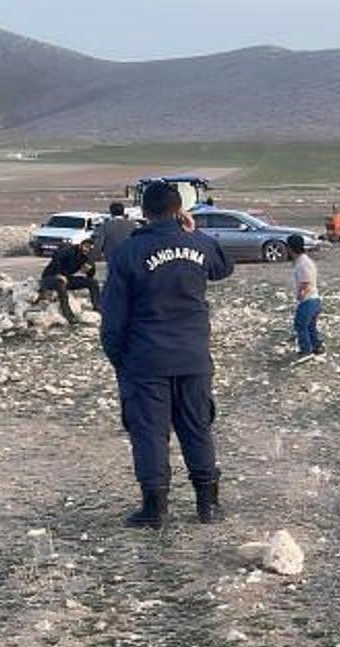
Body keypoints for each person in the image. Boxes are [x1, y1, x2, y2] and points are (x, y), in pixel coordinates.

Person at [100, 181, 234, 529]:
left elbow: (113, 317)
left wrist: (118, 358)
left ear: (143, 212)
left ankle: (155, 508)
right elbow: (222, 267)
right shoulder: (198, 244)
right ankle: (209, 505)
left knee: (149, 432)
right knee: (197, 427)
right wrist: (192, 233)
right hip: (193, 356)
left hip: (146, 359)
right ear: (179, 210)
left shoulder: (127, 253)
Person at [40, 239, 100, 324]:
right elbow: (56, 258)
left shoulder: (86, 257)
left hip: (66, 278)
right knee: (61, 284)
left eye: (89, 248)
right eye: (86, 246)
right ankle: (68, 315)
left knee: (93, 282)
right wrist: (58, 274)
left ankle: (98, 307)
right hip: (49, 278)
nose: (87, 249)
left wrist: (90, 269)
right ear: (81, 245)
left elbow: (90, 275)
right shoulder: (70, 250)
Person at [288, 235, 323, 362]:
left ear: (291, 248)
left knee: (300, 324)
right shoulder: (303, 261)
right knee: (310, 326)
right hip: (314, 299)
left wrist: (300, 294)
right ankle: (317, 347)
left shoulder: (303, 263)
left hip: (309, 300)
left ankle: (306, 350)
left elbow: (306, 281)